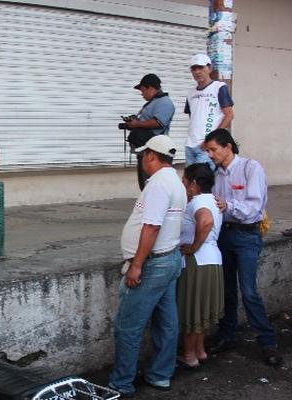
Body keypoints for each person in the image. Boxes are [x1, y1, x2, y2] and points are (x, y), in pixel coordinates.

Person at [108, 135, 187, 397]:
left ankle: (121, 383)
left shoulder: (158, 184)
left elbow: (152, 226)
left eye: (143, 156)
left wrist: (137, 265)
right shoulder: (175, 180)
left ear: (152, 155)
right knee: (166, 322)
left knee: (128, 327)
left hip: (153, 264)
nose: (142, 160)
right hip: (170, 259)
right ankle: (160, 375)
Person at [204, 128, 282, 366]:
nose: (210, 155)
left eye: (213, 149)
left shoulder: (250, 168)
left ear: (228, 147)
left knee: (248, 291)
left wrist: (228, 205)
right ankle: (227, 336)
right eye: (208, 150)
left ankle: (267, 342)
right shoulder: (215, 174)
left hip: (247, 236)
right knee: (226, 290)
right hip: (223, 236)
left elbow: (254, 208)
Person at [176, 163, 224, 369]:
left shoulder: (197, 202)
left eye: (185, 180)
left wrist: (193, 247)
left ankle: (189, 355)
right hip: (212, 260)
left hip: (197, 262)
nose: (182, 184)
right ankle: (200, 351)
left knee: (190, 309)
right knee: (201, 309)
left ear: (194, 183)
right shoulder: (213, 200)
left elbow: (205, 221)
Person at [125, 73, 175, 190]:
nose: (142, 94)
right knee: (145, 185)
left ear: (151, 88)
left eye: (143, 91)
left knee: (152, 185)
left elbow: (159, 122)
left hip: (155, 153)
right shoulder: (153, 102)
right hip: (145, 150)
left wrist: (137, 124)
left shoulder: (164, 102)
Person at [185, 54, 234, 167]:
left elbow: (229, 115)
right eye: (194, 68)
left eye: (201, 67)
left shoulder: (219, 87)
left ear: (209, 68)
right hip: (190, 145)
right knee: (190, 181)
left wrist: (211, 140)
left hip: (207, 147)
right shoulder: (190, 93)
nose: (197, 71)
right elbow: (192, 116)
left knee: (203, 182)